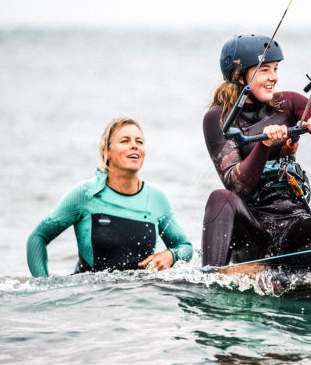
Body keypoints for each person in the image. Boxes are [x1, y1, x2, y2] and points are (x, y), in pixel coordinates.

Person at [201, 33, 311, 267]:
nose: (273, 77)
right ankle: (210, 276)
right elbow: (236, 184)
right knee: (220, 198)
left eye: (275, 68)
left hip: (294, 224)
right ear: (238, 76)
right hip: (253, 232)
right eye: (264, 70)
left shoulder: (290, 103)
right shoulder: (218, 118)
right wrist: (264, 145)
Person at [27, 116, 193, 277]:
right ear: (107, 152)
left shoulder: (157, 198)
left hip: (141, 300)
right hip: (93, 300)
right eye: (125, 141)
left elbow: (185, 247)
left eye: (139, 141)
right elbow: (38, 238)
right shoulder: (85, 194)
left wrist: (171, 255)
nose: (134, 146)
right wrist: (44, 288)